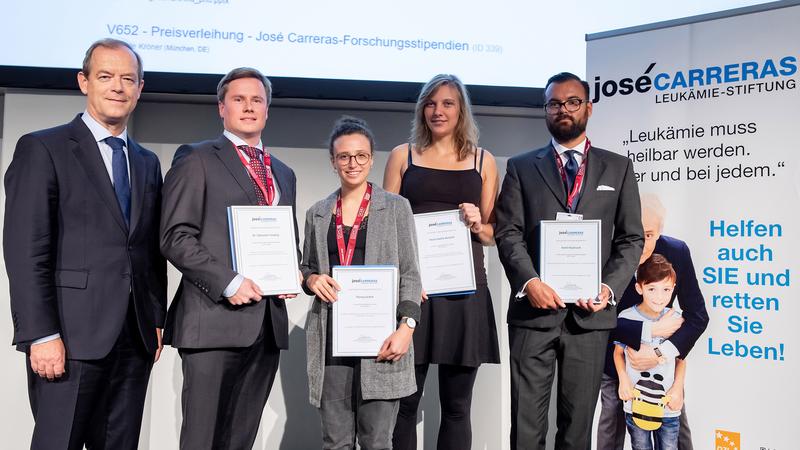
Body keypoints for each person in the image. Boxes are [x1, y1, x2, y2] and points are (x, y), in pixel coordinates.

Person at [3, 38, 166, 449]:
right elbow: (26, 252)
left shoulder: (146, 161)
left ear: (140, 88)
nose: (117, 87)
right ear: (84, 82)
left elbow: (147, 250)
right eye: (106, 76)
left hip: (134, 339)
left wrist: (156, 318)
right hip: (69, 339)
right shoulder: (43, 148)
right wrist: (40, 335)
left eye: (128, 78)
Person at [494, 71, 644, 450]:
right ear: (545, 110)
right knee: (526, 427)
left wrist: (607, 288)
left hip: (590, 316)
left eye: (572, 101)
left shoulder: (619, 168)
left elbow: (631, 239)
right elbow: (507, 232)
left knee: (577, 430)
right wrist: (530, 283)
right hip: (533, 313)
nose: (563, 109)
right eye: (554, 103)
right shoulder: (521, 167)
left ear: (588, 108)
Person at [160, 67, 300, 449]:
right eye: (239, 99)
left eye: (257, 100)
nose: (249, 107)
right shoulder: (197, 158)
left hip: (266, 326)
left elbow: (288, 242)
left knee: (240, 441)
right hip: (212, 320)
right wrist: (230, 281)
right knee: (202, 439)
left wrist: (292, 274)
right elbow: (175, 236)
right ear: (222, 108)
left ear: (267, 110)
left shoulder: (283, 173)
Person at [383, 73, 500, 450]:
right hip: (415, 292)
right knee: (403, 404)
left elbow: (491, 235)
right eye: (430, 103)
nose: (438, 111)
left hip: (465, 292)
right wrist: (405, 284)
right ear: (422, 110)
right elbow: (386, 228)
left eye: (447, 103)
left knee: (456, 407)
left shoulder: (484, 161)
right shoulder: (403, 155)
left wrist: (478, 222)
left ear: (461, 110)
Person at [301, 116, 422, 449]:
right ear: (333, 161)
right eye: (343, 156)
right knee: (335, 442)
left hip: (381, 341)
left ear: (371, 159)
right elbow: (306, 267)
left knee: (377, 442)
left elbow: (411, 272)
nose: (352, 164)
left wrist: (406, 329)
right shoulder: (318, 212)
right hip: (332, 341)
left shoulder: (396, 207)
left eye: (360, 156)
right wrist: (311, 279)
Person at [598, 194, 709, 450]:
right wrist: (647, 330)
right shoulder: (604, 253)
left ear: (660, 231)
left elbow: (698, 317)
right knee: (611, 427)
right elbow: (596, 317)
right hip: (615, 364)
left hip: (664, 369)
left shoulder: (676, 252)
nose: (639, 242)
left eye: (648, 234)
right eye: (633, 231)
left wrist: (660, 353)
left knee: (676, 432)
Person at [614, 254, 686, 450]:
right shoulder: (627, 317)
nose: (659, 297)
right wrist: (623, 379)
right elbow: (618, 352)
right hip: (636, 404)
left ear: (674, 288)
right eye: (651, 289)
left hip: (667, 407)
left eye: (666, 290)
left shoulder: (675, 318)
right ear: (639, 288)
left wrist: (678, 387)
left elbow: (681, 358)